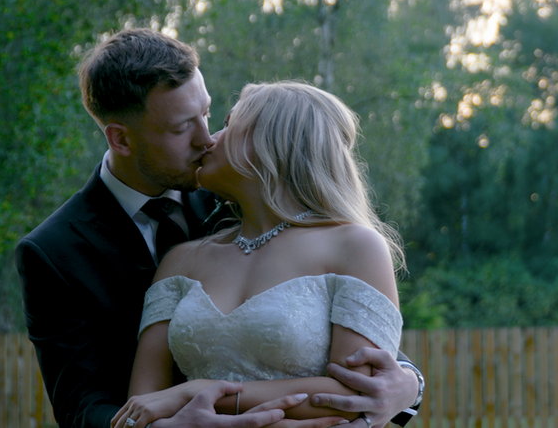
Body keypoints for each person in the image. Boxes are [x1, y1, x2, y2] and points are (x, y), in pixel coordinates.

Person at [15, 28, 424, 428]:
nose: (206, 138)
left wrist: (409, 384)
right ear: (120, 139)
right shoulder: (54, 253)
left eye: (208, 114)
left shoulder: (239, 194)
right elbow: (80, 407)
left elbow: (340, 346)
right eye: (180, 128)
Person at [110, 81, 412, 428]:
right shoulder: (179, 262)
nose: (210, 139)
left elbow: (352, 397)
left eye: (228, 124)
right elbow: (141, 406)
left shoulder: (356, 247)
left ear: (271, 141)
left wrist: (200, 391)